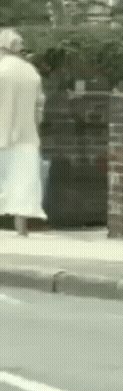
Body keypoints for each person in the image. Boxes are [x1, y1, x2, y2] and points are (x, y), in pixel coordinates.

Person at [0, 28, 47, 236]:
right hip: (27, 137)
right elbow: (39, 109)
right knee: (23, 184)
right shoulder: (31, 73)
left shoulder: (1, 70)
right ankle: (22, 229)